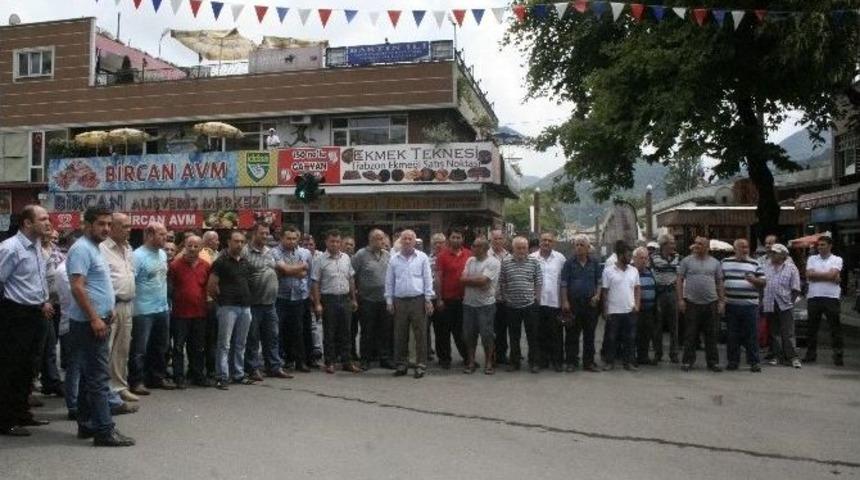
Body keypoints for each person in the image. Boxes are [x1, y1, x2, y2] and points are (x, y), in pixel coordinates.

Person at [66, 207, 135, 447]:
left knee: (89, 377)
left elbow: (98, 284)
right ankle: (104, 430)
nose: (105, 228)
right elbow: (77, 286)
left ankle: (87, 424)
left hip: (99, 318)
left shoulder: (94, 247)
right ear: (87, 225)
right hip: (88, 323)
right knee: (98, 377)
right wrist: (95, 317)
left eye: (108, 224)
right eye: (100, 224)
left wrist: (109, 309)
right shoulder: (82, 249)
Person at [0, 205, 54, 437]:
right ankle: (5, 420)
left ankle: (22, 413)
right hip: (16, 315)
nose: (47, 222)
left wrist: (44, 301)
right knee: (11, 368)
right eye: (42, 219)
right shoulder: (11, 248)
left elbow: (36, 282)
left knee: (29, 367)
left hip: (37, 313)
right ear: (27, 223)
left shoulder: (37, 247)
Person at [129, 222, 174, 395]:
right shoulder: (137, 256)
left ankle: (157, 377)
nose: (166, 238)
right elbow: (131, 282)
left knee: (160, 345)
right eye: (161, 234)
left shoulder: (162, 254)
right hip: (142, 310)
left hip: (162, 307)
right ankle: (136, 381)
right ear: (149, 234)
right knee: (140, 348)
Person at [243, 223, 291, 381]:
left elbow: (280, 270)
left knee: (272, 337)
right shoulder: (245, 252)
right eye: (262, 233)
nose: (265, 236)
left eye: (267, 234)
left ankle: (274, 366)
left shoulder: (270, 252)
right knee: (253, 338)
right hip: (254, 304)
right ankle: (253, 368)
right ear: (253, 234)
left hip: (270, 303)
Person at [99, 213, 138, 402]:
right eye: (124, 226)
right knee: (106, 349)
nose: (129, 230)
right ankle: (104, 390)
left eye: (129, 226)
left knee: (122, 349)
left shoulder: (128, 248)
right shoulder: (102, 248)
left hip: (127, 304)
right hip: (110, 306)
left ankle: (120, 386)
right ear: (112, 227)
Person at [208, 231, 255, 390]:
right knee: (224, 344)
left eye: (242, 242)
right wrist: (220, 302)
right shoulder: (220, 262)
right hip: (227, 307)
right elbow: (212, 286)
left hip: (245, 307)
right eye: (236, 241)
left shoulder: (245, 262)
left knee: (241, 343)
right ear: (228, 242)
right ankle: (222, 376)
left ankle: (238, 374)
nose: (239, 244)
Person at [385, 229, 435, 379]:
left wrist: (428, 299)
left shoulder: (422, 258)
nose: (407, 241)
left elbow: (427, 279)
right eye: (404, 239)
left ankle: (420, 365)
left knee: (420, 334)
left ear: (414, 241)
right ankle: (401, 364)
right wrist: (389, 301)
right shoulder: (394, 259)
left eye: (410, 239)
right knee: (400, 334)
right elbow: (389, 281)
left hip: (418, 300)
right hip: (399, 301)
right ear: (400, 241)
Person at [311, 230, 360, 374]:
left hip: (344, 298)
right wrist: (318, 303)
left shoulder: (345, 258)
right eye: (332, 241)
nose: (335, 244)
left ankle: (347, 361)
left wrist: (353, 299)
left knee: (346, 332)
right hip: (329, 299)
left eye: (338, 241)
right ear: (326, 242)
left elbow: (351, 279)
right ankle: (330, 362)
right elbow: (315, 283)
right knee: (330, 332)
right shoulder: (320, 260)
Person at [168, 235, 211, 388]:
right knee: (178, 347)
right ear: (184, 246)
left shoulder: (206, 265)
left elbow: (208, 287)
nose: (192, 249)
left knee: (198, 347)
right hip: (180, 313)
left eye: (196, 246)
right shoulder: (174, 265)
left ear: (201, 248)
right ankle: (179, 377)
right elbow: (170, 288)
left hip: (200, 313)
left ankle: (197, 375)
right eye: (190, 245)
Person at [677, 236, 724, 372]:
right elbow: (679, 280)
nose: (697, 246)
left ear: (707, 247)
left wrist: (721, 301)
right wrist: (680, 299)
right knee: (690, 334)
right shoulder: (686, 261)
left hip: (711, 303)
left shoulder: (715, 263)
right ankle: (687, 361)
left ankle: (713, 362)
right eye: (696, 243)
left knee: (712, 334)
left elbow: (720, 282)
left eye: (700, 244)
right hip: (691, 303)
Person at [721, 239, 766, 372]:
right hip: (731, 304)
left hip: (750, 305)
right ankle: (733, 361)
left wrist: (754, 280)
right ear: (735, 249)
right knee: (732, 334)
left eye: (746, 247)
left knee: (751, 334)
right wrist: (722, 300)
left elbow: (763, 282)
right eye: (741, 247)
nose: (744, 250)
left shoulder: (755, 263)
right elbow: (719, 281)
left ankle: (754, 362)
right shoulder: (725, 263)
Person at [272, 226, 313, 372]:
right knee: (278, 330)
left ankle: (300, 361)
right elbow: (284, 270)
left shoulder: (305, 252)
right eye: (288, 238)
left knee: (298, 331)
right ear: (282, 238)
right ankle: (280, 361)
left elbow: (309, 276)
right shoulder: (275, 252)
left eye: (294, 238)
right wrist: (300, 267)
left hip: (299, 297)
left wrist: (289, 271)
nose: (291, 241)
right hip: (280, 297)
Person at [499, 236, 542, 373]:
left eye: (524, 247)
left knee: (533, 335)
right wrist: (506, 297)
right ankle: (514, 362)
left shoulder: (534, 262)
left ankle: (534, 362)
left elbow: (538, 281)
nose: (522, 250)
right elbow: (502, 282)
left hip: (530, 305)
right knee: (513, 336)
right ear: (513, 248)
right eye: (519, 247)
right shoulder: (505, 262)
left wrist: (537, 298)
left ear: (527, 248)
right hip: (512, 306)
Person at [352, 229, 394, 370]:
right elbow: (352, 275)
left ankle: (384, 358)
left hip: (384, 300)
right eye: (378, 239)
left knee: (385, 331)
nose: (382, 241)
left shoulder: (388, 255)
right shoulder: (360, 255)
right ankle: (365, 359)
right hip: (367, 300)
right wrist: (355, 295)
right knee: (367, 331)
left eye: (383, 238)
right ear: (371, 240)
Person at [560, 234, 602, 372]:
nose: (578, 247)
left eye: (581, 245)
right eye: (576, 245)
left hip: (591, 304)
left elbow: (599, 282)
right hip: (573, 304)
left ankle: (588, 362)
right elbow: (564, 284)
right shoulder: (568, 263)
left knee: (589, 334)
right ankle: (571, 362)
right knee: (572, 334)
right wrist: (565, 301)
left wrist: (597, 295)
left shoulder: (594, 263)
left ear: (588, 247)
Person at [461, 237, 501, 375]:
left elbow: (483, 281)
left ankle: (489, 362)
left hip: (486, 305)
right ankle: (471, 362)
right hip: (468, 304)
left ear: (484, 248)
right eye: (473, 245)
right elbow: (462, 279)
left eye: (476, 246)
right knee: (469, 335)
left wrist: (471, 280)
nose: (473, 248)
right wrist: (475, 280)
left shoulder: (493, 262)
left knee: (487, 335)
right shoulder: (470, 261)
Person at [804, 235, 844, 366]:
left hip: (831, 297)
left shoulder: (837, 259)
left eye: (823, 245)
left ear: (830, 246)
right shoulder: (812, 259)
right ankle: (810, 354)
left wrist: (818, 276)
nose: (820, 247)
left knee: (835, 327)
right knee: (812, 328)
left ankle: (838, 354)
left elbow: (833, 275)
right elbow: (809, 275)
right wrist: (828, 276)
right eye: (819, 245)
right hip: (814, 296)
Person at [434, 227, 471, 368]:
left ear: (463, 239)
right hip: (446, 300)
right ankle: (444, 359)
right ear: (449, 239)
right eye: (454, 237)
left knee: (462, 331)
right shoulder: (442, 256)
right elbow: (438, 278)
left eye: (459, 237)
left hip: (464, 300)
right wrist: (439, 299)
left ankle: (468, 358)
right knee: (443, 332)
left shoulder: (469, 254)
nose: (456, 239)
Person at [601, 241, 640, 371]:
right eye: (628, 255)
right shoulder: (608, 271)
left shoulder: (634, 270)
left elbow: (637, 289)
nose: (630, 258)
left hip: (629, 310)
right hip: (613, 311)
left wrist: (637, 305)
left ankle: (628, 362)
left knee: (630, 338)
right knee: (611, 338)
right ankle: (609, 362)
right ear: (620, 255)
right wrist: (605, 310)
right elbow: (605, 292)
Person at [530, 232, 566, 372]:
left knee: (556, 334)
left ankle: (557, 361)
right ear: (539, 242)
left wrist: (564, 301)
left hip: (554, 302)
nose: (546, 243)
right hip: (536, 302)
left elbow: (564, 282)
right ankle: (539, 361)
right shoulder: (532, 258)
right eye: (544, 240)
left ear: (554, 243)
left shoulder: (560, 259)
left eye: (549, 240)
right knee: (538, 334)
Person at [762, 244, 802, 368]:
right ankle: (776, 356)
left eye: (775, 253)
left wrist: (790, 302)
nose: (772, 255)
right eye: (771, 252)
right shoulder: (765, 266)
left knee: (788, 332)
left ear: (783, 255)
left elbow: (796, 288)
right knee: (774, 332)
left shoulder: (791, 268)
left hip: (785, 304)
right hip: (769, 302)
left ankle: (792, 357)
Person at [39, 225, 65, 397]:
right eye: (47, 232)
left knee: (53, 341)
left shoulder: (57, 251)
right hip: (43, 304)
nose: (51, 237)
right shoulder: (36, 252)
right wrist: (43, 301)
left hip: (58, 303)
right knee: (47, 344)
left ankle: (49, 380)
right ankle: (51, 380)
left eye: (55, 236)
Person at [650, 233, 680, 363]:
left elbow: (679, 274)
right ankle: (658, 353)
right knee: (658, 325)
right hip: (659, 292)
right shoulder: (653, 257)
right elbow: (652, 273)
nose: (674, 245)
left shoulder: (678, 257)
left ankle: (674, 353)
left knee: (675, 325)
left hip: (673, 292)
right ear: (664, 244)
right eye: (671, 243)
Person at [489, 229, 511, 364]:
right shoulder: (486, 255)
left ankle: (502, 354)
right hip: (491, 298)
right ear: (491, 240)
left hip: (506, 299)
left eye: (500, 238)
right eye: (495, 238)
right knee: (490, 329)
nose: (498, 241)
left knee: (503, 329)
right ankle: (491, 356)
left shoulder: (508, 256)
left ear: (504, 240)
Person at [633, 247, 657, 366]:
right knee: (634, 334)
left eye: (646, 258)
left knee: (646, 334)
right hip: (636, 309)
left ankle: (644, 356)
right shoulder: (631, 272)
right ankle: (632, 357)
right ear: (635, 259)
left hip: (649, 310)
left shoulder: (650, 272)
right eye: (641, 258)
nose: (644, 260)